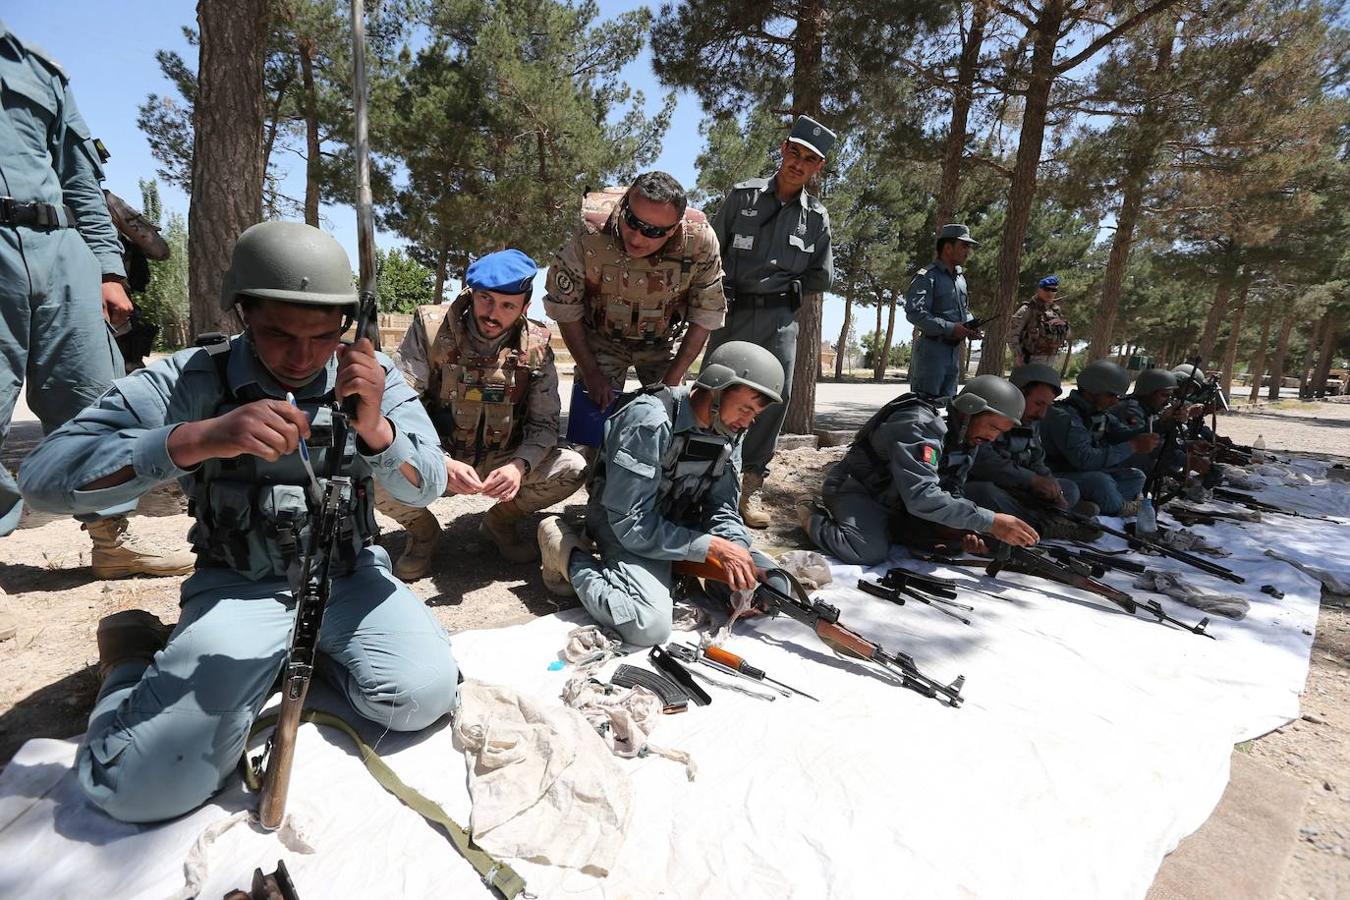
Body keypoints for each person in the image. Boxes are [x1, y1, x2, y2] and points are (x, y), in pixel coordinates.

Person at [18, 221, 459, 823]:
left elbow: (431, 482)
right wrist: (193, 440)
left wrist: (377, 429)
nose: (302, 357)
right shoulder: (191, 378)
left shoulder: (371, 375)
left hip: (351, 579)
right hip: (240, 586)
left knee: (422, 697)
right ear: (243, 312)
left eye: (322, 337)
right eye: (278, 333)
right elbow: (43, 476)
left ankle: (303, 656)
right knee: (138, 788)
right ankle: (128, 656)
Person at [0, 22, 191, 577]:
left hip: (61, 251)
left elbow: (80, 181)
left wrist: (108, 268)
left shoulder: (37, 69)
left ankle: (112, 539)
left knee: (93, 397)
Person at [536, 342, 790, 647]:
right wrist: (712, 549)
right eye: (746, 409)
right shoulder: (651, 420)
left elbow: (721, 508)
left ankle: (699, 581)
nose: (747, 422)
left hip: (680, 525)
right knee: (648, 626)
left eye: (755, 415)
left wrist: (737, 553)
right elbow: (631, 525)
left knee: (773, 588)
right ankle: (567, 552)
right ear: (718, 388)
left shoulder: (730, 430)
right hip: (625, 526)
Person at [376, 249, 586, 576]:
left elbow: (544, 424)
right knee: (370, 463)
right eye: (485, 299)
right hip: (436, 457)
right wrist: (439, 459)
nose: (492, 313)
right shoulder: (431, 330)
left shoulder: (537, 345)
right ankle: (422, 531)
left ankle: (500, 523)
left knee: (573, 467)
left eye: (507, 306)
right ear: (472, 293)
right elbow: (398, 404)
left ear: (524, 307)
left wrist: (519, 466)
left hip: (503, 457)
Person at [705, 115, 835, 528]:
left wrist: (786, 289)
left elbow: (822, 274)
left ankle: (747, 488)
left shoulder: (815, 218)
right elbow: (712, 248)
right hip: (733, 313)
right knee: (715, 389)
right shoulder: (743, 197)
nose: (798, 163)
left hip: (780, 320)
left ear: (818, 168)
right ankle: (699, 477)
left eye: (809, 159)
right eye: (794, 152)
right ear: (783, 149)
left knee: (772, 401)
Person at [799, 375, 1040, 567]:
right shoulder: (920, 423)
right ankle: (810, 514)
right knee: (867, 550)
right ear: (969, 409)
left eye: (1000, 432)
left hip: (900, 501)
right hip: (859, 491)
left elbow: (952, 489)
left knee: (946, 543)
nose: (992, 437)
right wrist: (990, 521)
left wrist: (966, 528)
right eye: (992, 426)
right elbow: (921, 497)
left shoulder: (968, 434)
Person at [543, 171, 726, 422]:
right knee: (591, 430)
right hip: (601, 339)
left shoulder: (700, 241)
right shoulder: (590, 231)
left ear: (673, 229)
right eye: (632, 220)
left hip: (663, 342)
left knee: (669, 427)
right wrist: (591, 372)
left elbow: (706, 314)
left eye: (652, 231)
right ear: (625, 204)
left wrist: (671, 382)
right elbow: (566, 308)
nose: (637, 237)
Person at [965, 363, 1099, 540]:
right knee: (983, 493)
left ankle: (1053, 514)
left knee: (1069, 489)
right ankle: (1044, 525)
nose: (1042, 414)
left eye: (1047, 406)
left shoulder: (1031, 422)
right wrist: (1031, 480)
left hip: (1015, 488)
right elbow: (983, 462)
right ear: (1018, 394)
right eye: (1038, 403)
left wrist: (1051, 487)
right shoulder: (990, 414)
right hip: (985, 486)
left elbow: (1037, 459)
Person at [1040, 360, 1159, 516]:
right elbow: (1085, 460)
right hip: (1059, 475)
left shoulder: (1099, 413)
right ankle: (1118, 508)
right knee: (1100, 482)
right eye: (1110, 395)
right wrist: (1133, 446)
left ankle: (1088, 503)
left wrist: (1162, 424)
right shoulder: (1063, 416)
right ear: (1091, 391)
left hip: (1084, 474)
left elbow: (1125, 434)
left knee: (1135, 477)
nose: (1115, 401)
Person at [905, 224, 981, 400]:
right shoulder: (927, 276)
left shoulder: (960, 278)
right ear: (948, 248)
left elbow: (963, 310)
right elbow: (915, 312)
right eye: (964, 246)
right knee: (924, 409)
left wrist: (971, 326)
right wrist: (950, 328)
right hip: (932, 352)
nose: (967, 251)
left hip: (953, 353)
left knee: (948, 410)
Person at [1008, 275, 1070, 366]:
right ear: (1039, 289)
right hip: (1030, 359)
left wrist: (1064, 325)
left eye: (1054, 290)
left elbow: (1068, 335)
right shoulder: (1027, 309)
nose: (1050, 293)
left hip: (1051, 359)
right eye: (1047, 289)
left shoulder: (1056, 311)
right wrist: (1017, 355)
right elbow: (1012, 334)